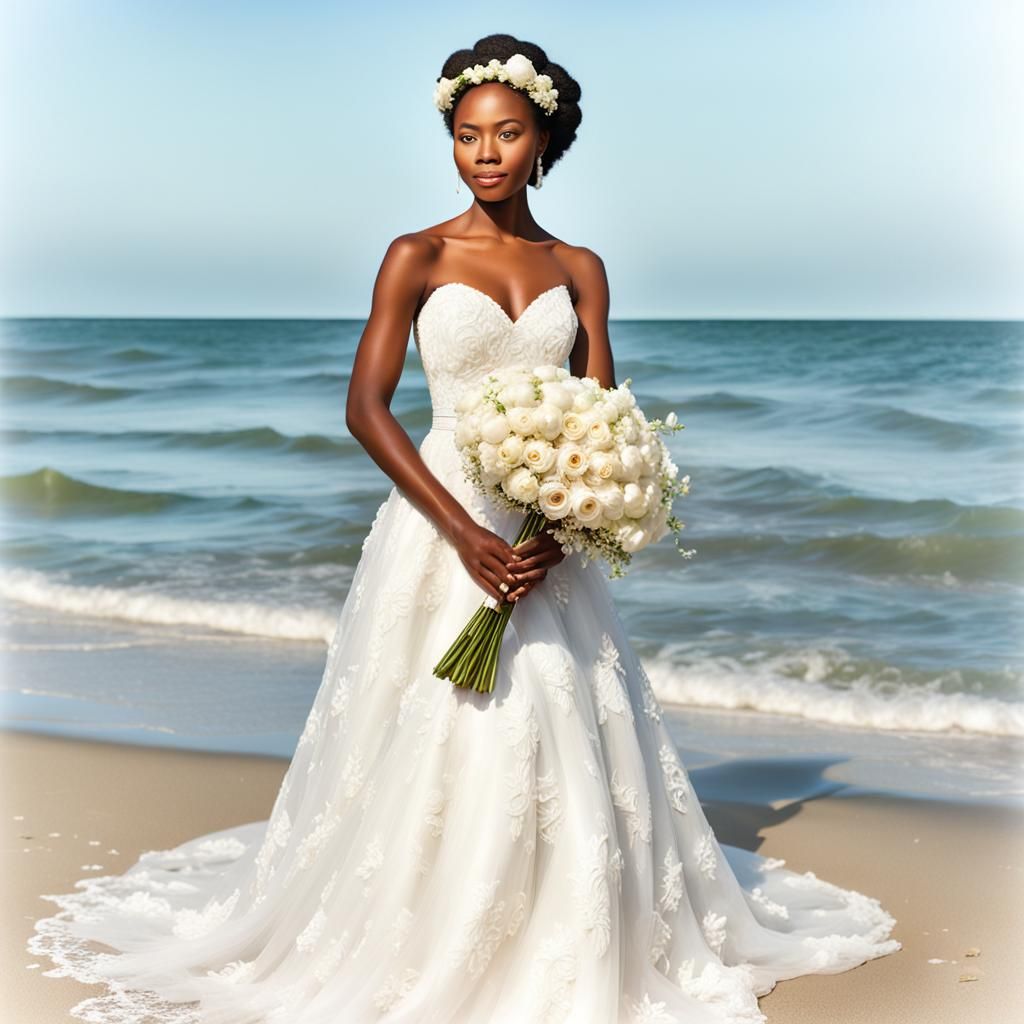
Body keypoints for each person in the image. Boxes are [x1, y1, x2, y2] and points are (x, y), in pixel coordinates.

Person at [29, 32, 901, 1024]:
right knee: (446, 724)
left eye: (507, 134)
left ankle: (561, 926)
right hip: (441, 520)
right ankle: (426, 925)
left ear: (543, 142)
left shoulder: (579, 265)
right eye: (467, 135)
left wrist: (569, 515)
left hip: (542, 529)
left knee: (552, 718)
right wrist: (461, 533)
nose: (485, 153)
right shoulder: (417, 255)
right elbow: (366, 406)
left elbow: (601, 408)